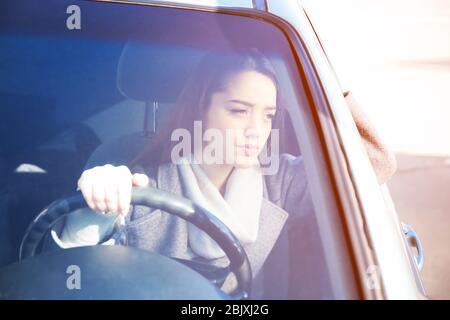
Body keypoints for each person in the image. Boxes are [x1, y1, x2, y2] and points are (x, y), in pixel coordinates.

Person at [46, 48, 396, 299]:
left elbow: (376, 161)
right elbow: (65, 276)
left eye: (268, 115)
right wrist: (92, 205)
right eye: (239, 111)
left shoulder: (280, 181)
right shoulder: (140, 183)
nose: (256, 130)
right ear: (202, 107)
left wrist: (326, 82)